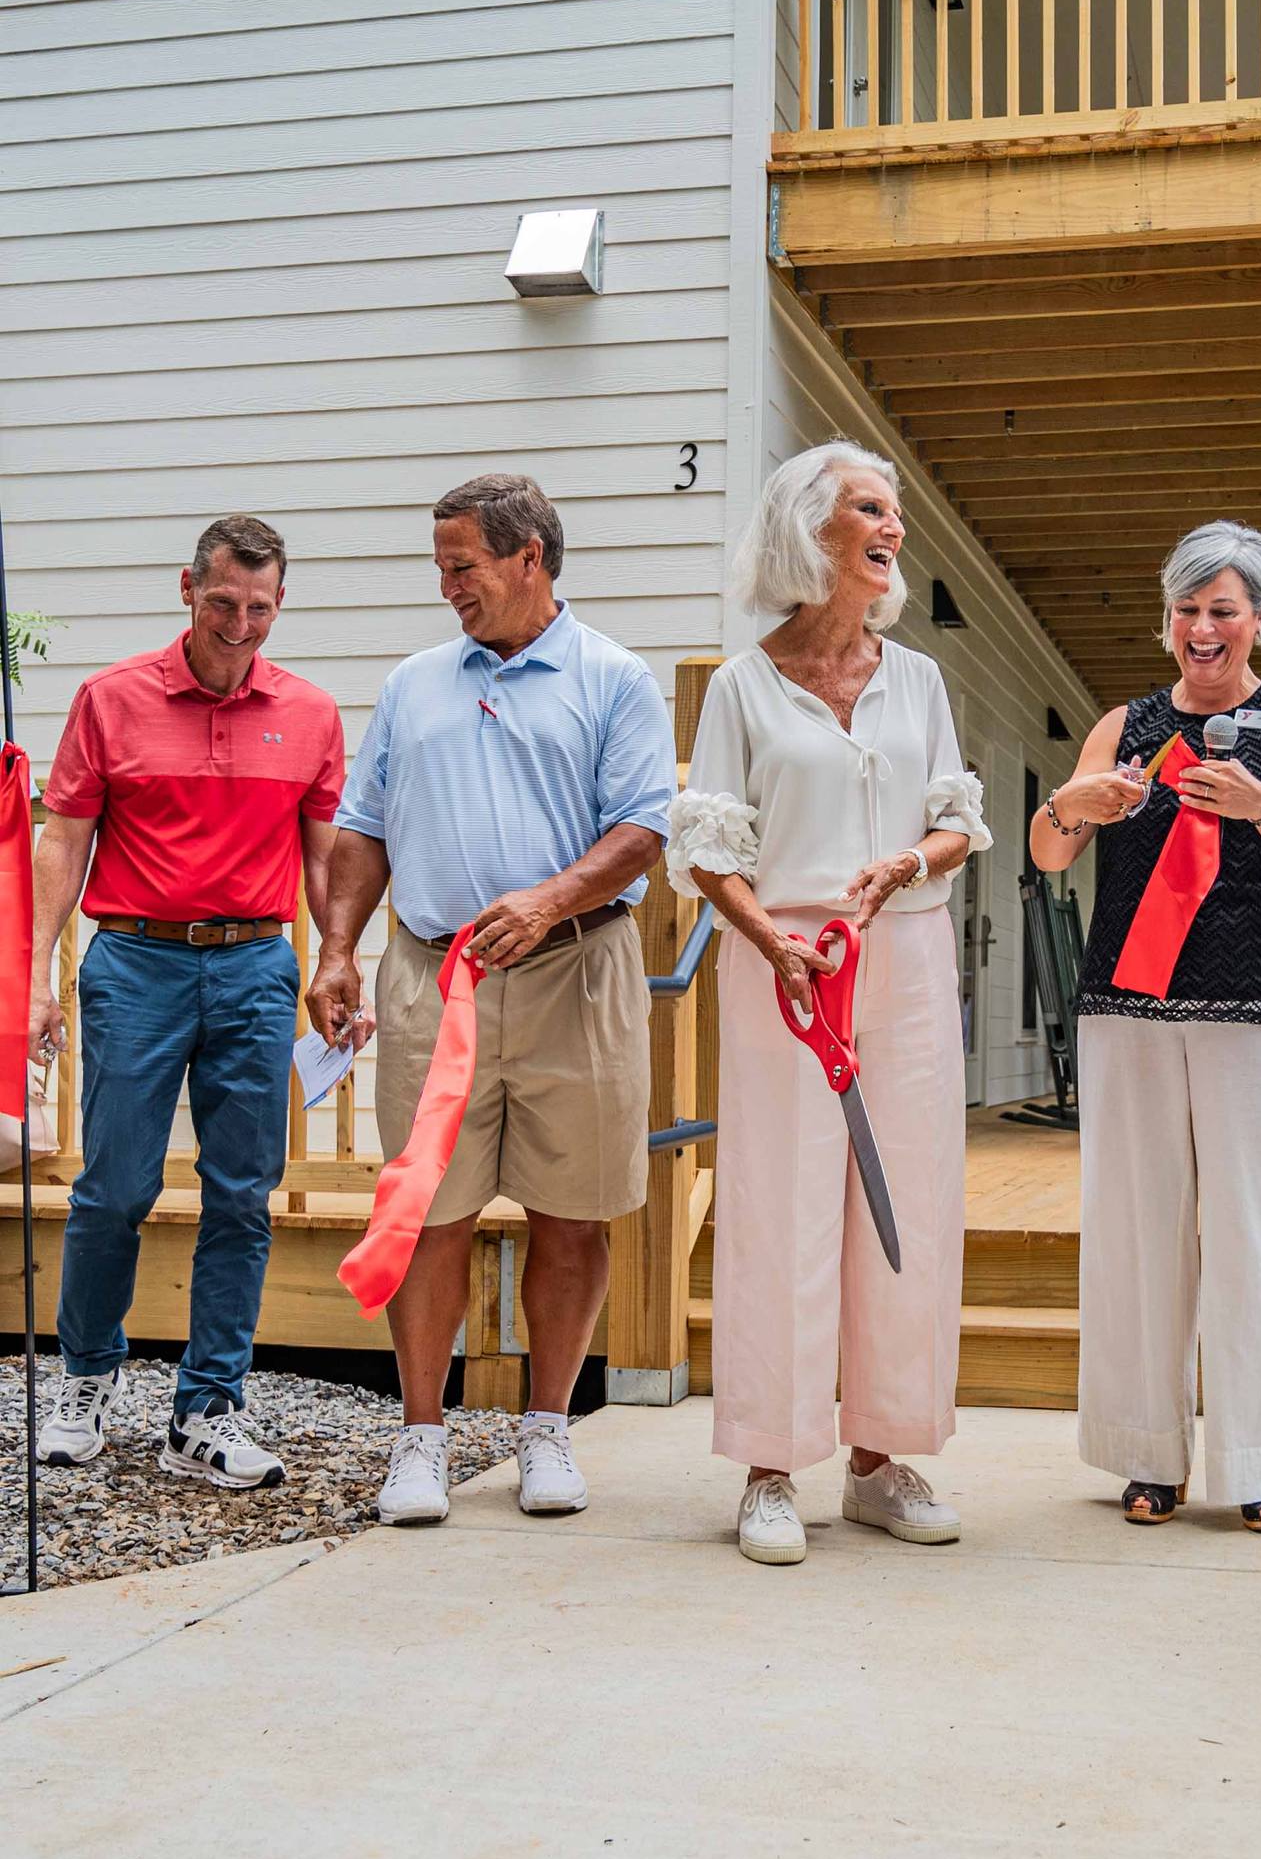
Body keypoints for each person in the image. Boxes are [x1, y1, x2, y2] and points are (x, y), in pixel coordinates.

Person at [306, 474, 673, 1526]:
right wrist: (337, 949)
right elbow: (363, 828)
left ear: (529, 558)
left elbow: (643, 828)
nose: (448, 587)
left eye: (462, 566)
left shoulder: (612, 678)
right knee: (428, 1211)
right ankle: (420, 1439)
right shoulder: (414, 682)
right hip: (431, 974)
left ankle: (546, 1431)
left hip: (578, 972)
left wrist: (552, 895)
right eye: (441, 569)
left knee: (574, 1212)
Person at [674, 440, 989, 1566]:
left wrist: (908, 865)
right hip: (783, 965)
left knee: (905, 1195)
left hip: (902, 957)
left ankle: (878, 1458)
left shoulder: (920, 681)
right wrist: (769, 940)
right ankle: (770, 1463)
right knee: (781, 1201)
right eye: (867, 506)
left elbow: (955, 819)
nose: (889, 524)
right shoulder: (742, 688)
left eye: (893, 508)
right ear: (812, 531)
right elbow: (709, 843)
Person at [1032, 521, 1261, 1534]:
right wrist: (1074, 804)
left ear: (1260, 619)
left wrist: (1256, 806)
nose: (1201, 628)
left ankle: (1256, 1460)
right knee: (1135, 1223)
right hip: (1130, 1001)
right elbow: (1047, 851)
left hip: (1252, 1000)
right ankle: (1144, 1454)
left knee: (1257, 1222)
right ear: (1166, 621)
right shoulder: (1124, 722)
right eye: (1185, 609)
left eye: (1222, 609)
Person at [30, 516, 346, 1488]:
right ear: (185, 589)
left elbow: (325, 855)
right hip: (134, 962)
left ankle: (206, 1410)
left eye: (259, 608)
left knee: (241, 1197)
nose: (240, 626)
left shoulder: (312, 710)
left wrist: (337, 957)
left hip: (255, 966)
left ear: (279, 602)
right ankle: (83, 1379)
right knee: (111, 1190)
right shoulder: (109, 700)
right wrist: (36, 976)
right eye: (222, 604)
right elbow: (62, 842)